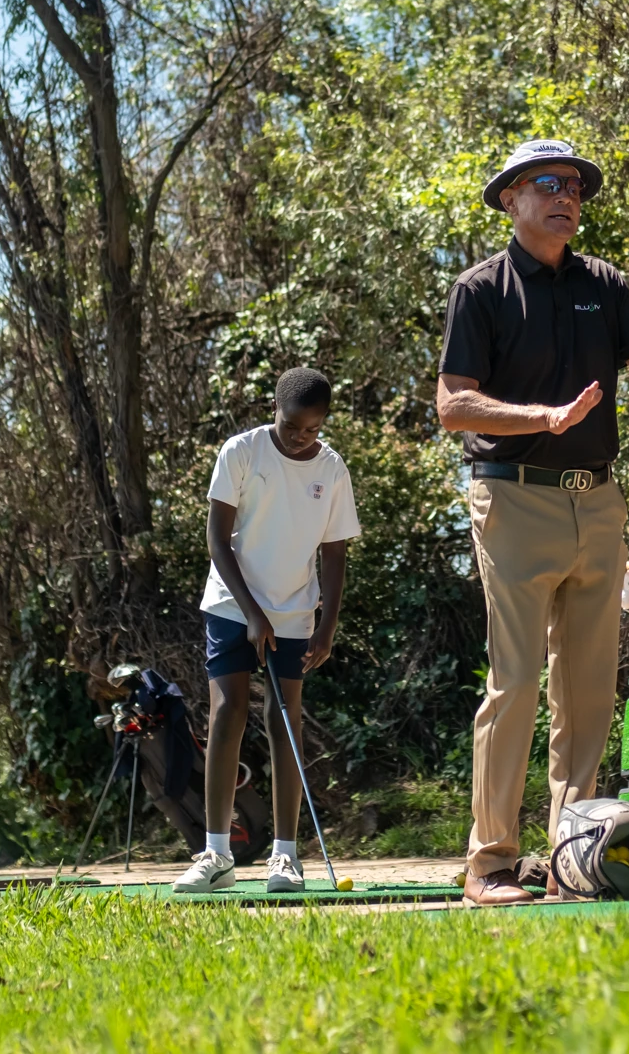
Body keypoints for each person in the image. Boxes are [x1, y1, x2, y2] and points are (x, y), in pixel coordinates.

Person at [437, 137, 629, 906]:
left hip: (599, 499)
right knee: (515, 682)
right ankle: (489, 862)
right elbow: (453, 404)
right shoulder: (479, 289)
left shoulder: (606, 284)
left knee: (586, 692)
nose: (568, 197)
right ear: (510, 199)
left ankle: (570, 856)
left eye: (577, 188)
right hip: (512, 496)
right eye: (548, 184)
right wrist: (540, 418)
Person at [173, 366, 361, 894]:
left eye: (313, 428)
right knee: (228, 711)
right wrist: (253, 612)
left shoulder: (332, 468)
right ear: (274, 409)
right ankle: (216, 853)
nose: (302, 436)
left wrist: (327, 624)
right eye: (292, 425)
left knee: (285, 719)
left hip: (296, 611)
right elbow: (216, 538)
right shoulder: (242, 452)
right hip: (233, 603)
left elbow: (335, 551)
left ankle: (285, 856)